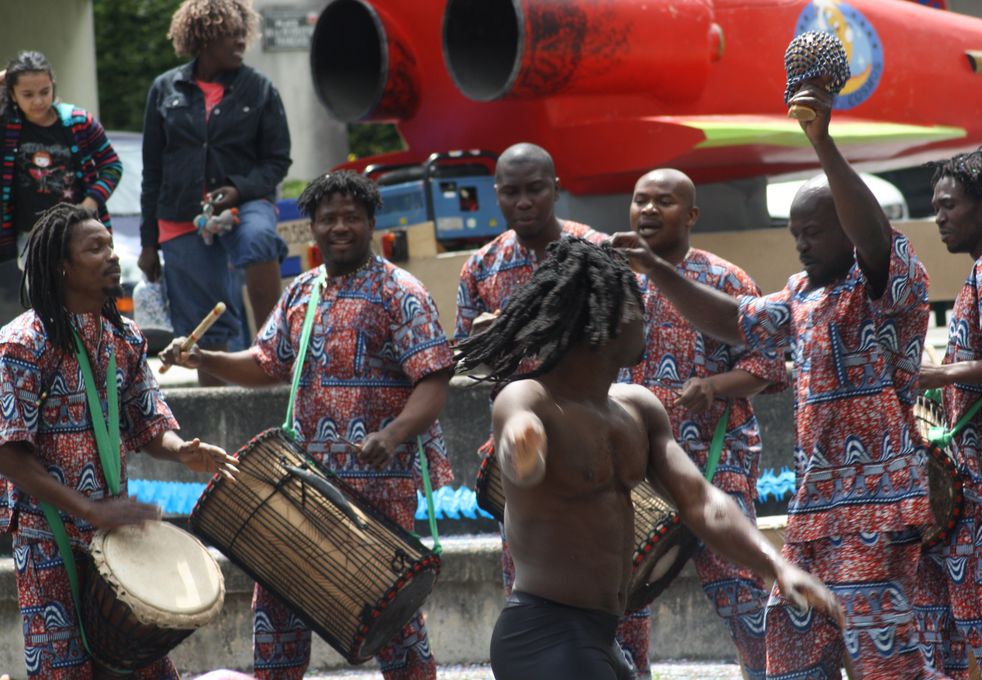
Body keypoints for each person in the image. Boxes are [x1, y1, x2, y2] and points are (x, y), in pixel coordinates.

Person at [613, 81, 940, 679]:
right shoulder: (800, 293)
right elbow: (733, 321)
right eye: (795, 234)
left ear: (846, 226)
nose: (802, 244)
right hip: (813, 511)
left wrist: (822, 141)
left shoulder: (891, 288)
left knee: (885, 666)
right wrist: (658, 269)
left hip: (876, 509)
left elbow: (874, 236)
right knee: (788, 656)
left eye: (813, 232)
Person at [456, 236, 843, 680]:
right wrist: (522, 450)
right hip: (544, 634)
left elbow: (701, 501)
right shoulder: (532, 398)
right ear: (601, 318)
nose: (648, 316)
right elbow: (518, 442)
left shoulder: (637, 408)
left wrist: (777, 567)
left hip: (602, 636)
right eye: (637, 305)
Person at [159, 170, 455, 680]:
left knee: (390, 616)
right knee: (276, 607)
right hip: (305, 481)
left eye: (352, 218)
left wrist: (392, 434)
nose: (340, 227)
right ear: (312, 226)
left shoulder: (402, 292)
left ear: (370, 224)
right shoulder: (302, 292)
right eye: (328, 218)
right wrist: (202, 358)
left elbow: (433, 380)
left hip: (379, 484)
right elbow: (266, 363)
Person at [0, 203, 235, 678]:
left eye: (111, 245)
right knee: (65, 672)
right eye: (95, 248)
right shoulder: (22, 343)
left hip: (115, 533)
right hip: (49, 539)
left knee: (143, 669)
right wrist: (86, 509)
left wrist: (180, 449)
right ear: (62, 266)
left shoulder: (123, 337)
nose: (111, 256)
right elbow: (7, 451)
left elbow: (150, 422)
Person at [454, 143, 652, 676]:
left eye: (535, 188)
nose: (523, 201)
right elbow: (473, 365)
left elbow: (624, 340)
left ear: (556, 185)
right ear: (496, 194)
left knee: (622, 604)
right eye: (511, 192)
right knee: (537, 586)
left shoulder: (597, 251)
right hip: (529, 456)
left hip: (598, 441)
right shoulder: (482, 266)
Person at [620, 168, 787, 678]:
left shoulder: (725, 278)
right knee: (625, 610)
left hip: (717, 468)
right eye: (640, 201)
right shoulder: (615, 280)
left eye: (664, 202)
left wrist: (714, 386)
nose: (649, 211)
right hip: (636, 473)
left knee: (744, 601)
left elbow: (769, 365)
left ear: (691, 215)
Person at [140, 0, 291, 383]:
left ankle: (275, 353)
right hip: (179, 212)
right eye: (229, 34)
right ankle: (218, 405)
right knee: (204, 326)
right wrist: (148, 243)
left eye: (242, 32)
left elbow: (277, 160)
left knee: (259, 239)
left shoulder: (259, 89)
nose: (240, 40)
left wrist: (238, 191)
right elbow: (153, 170)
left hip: (245, 202)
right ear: (204, 38)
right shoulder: (164, 89)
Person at [914, 149, 982, 678]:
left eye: (949, 205)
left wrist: (940, 376)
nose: (939, 217)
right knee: (950, 616)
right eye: (935, 206)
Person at [1, 51, 122, 264]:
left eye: (44, 91)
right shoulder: (7, 126)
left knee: (84, 297)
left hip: (80, 235)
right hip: (27, 239)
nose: (38, 101)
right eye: (27, 94)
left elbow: (112, 166)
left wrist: (88, 205)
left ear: (53, 87)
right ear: (12, 94)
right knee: (37, 297)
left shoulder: (79, 122)